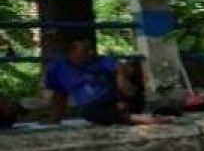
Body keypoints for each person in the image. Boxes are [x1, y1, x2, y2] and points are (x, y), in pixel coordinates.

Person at [44, 37, 173, 126]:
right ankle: (134, 118)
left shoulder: (101, 61)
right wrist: (55, 119)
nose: (90, 52)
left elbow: (124, 69)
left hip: (117, 98)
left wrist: (121, 76)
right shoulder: (57, 68)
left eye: (90, 48)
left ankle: (130, 114)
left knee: (127, 71)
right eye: (84, 50)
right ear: (71, 51)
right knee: (89, 112)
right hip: (93, 106)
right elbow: (59, 94)